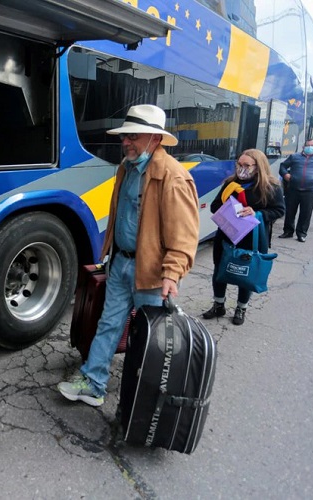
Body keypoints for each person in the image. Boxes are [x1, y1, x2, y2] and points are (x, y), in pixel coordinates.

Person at [57, 104, 200, 407]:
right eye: (125, 136)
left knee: (149, 339)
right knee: (109, 324)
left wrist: (172, 273)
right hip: (121, 264)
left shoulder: (173, 177)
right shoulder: (126, 168)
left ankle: (144, 399)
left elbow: (185, 235)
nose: (125, 142)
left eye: (132, 136)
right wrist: (108, 254)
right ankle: (93, 383)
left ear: (154, 139)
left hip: (151, 273)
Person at [202, 149, 285, 326]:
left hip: (253, 237)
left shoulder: (270, 186)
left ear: (258, 167)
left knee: (246, 273)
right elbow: (215, 205)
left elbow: (279, 210)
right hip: (227, 234)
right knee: (219, 271)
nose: (242, 168)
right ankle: (218, 305)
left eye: (247, 165)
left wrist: (257, 213)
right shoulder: (230, 183)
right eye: (239, 164)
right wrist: (227, 210)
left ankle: (241, 308)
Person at [278, 139, 313, 242]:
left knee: (306, 213)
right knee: (290, 211)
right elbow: (283, 166)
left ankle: (301, 233)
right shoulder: (295, 157)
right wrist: (285, 174)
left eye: (312, 145)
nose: (310, 147)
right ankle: (288, 231)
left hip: (310, 190)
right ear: (303, 147)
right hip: (293, 189)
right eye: (308, 145)